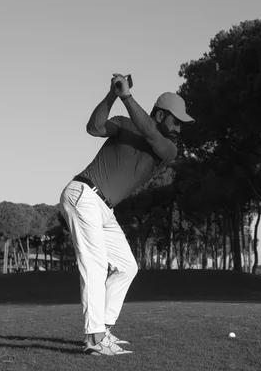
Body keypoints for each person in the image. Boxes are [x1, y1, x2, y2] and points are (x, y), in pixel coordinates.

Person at [59, 73, 194, 356]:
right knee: (95, 267)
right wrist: (113, 94)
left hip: (104, 208)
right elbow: (94, 128)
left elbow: (149, 133)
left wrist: (126, 96)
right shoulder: (124, 123)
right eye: (176, 121)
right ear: (160, 114)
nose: (179, 129)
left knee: (127, 267)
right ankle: (94, 339)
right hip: (84, 194)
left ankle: (104, 328)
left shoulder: (168, 148)